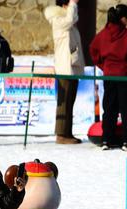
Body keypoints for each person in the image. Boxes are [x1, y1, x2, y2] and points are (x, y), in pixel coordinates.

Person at [90, 4, 127, 150]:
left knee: (109, 109)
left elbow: (93, 50)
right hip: (125, 76)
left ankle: (107, 140)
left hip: (109, 76)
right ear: (123, 19)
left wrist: (104, 66)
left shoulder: (102, 34)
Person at [46, 0, 85, 144]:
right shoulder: (57, 20)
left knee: (70, 101)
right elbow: (69, 19)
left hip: (72, 67)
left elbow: (73, 18)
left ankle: (67, 132)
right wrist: (73, 4)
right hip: (64, 68)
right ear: (64, 5)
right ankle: (61, 134)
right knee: (64, 102)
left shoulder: (69, 22)